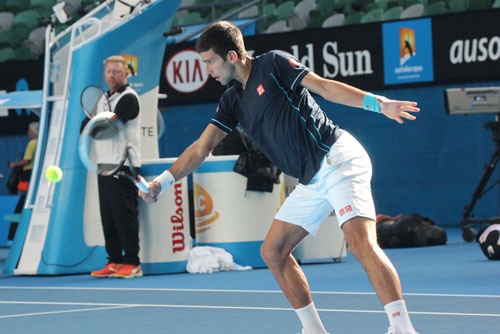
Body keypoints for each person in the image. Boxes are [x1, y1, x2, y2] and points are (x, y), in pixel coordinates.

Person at [141, 21, 419, 334]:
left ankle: (402, 328)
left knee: (360, 242)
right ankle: (313, 329)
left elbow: (325, 87)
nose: (208, 70)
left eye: (210, 62)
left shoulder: (273, 63)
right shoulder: (232, 101)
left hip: (337, 159)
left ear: (232, 56)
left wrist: (380, 105)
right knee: (272, 252)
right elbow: (201, 148)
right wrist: (161, 182)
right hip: (311, 179)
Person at [87, 55, 143, 279]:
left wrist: (96, 125)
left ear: (125, 74)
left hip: (124, 164)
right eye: (109, 72)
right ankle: (114, 261)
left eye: (117, 72)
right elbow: (87, 125)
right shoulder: (102, 100)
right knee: (108, 216)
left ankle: (133, 263)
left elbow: (110, 127)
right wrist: (97, 125)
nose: (112, 75)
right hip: (104, 165)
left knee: (124, 215)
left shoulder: (130, 98)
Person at [8, 121, 38, 241]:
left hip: (27, 177)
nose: (28, 132)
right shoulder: (41, 142)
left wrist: (14, 164)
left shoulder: (32, 143)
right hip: (34, 176)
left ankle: (14, 236)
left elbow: (26, 160)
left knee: (22, 203)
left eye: (30, 130)